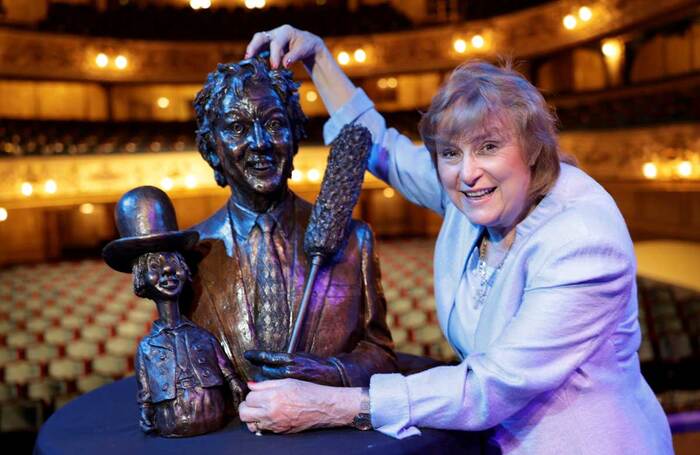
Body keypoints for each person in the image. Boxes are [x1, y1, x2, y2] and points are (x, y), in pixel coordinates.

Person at [236, 26, 674, 454]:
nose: (466, 173)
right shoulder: (476, 197)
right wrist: (318, 58)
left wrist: (330, 405)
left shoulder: (583, 240)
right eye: (450, 153)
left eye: (488, 146)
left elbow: (493, 385)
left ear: (534, 148)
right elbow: (381, 147)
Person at [185, 56, 397, 392]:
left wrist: (329, 372)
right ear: (212, 150)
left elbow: (381, 354)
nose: (259, 143)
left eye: (273, 124)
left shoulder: (355, 239)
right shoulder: (190, 253)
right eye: (238, 128)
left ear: (295, 137)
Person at [102, 186, 245, 437]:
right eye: (155, 267)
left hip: (214, 415)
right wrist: (146, 410)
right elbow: (145, 390)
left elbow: (227, 372)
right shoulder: (148, 348)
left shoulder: (204, 338)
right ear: (141, 279)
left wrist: (234, 383)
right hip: (172, 421)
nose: (167, 272)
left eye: (172, 263)